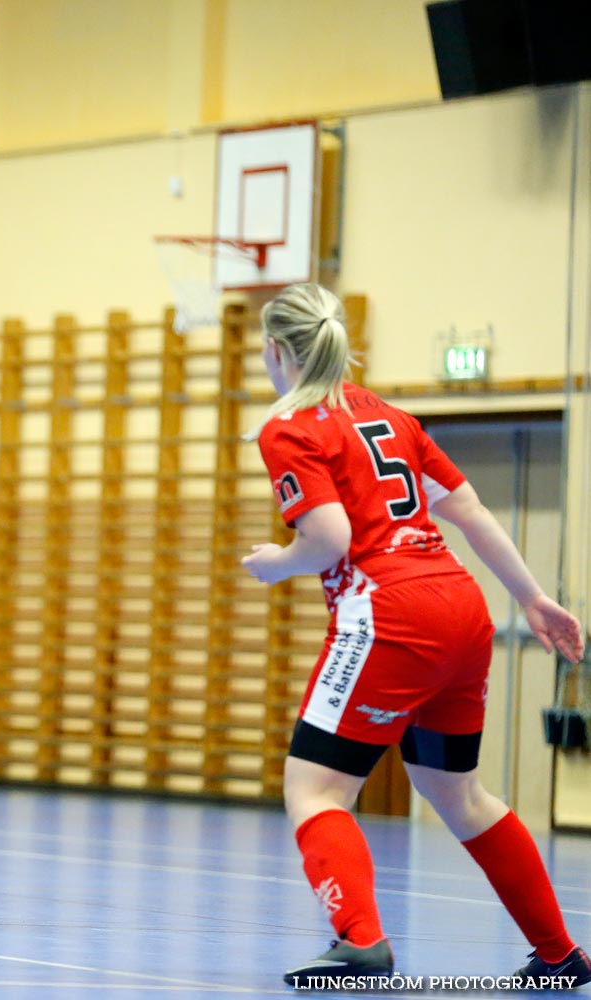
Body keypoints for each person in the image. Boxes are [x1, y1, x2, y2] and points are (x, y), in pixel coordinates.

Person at [240, 283, 590, 988]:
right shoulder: (392, 416)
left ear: (276, 351)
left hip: (390, 616)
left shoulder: (288, 427)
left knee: (315, 792)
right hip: (461, 609)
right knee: (458, 794)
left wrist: (278, 565)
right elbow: (469, 508)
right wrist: (534, 599)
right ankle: (559, 954)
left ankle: (361, 941)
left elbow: (330, 537)